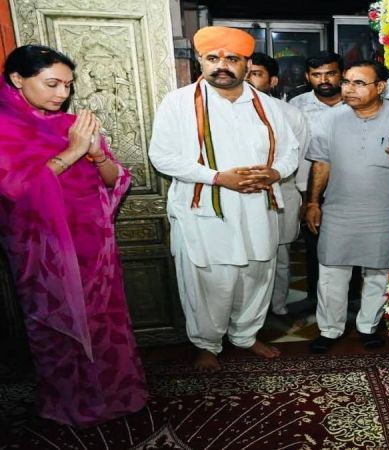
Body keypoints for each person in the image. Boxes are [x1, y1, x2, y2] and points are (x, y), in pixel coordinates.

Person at [0, 45, 148, 426]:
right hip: (44, 247)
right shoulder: (5, 128)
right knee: (56, 324)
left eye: (67, 85)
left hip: (94, 244)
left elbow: (116, 179)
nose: (62, 94)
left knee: (105, 321)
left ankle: (117, 395)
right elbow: (16, 190)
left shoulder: (72, 123)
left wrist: (96, 154)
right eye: (52, 84)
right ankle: (69, 403)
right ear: (17, 79)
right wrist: (73, 151)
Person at [148, 27, 299, 372]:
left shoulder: (268, 106)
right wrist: (217, 177)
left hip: (257, 208)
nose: (222, 66)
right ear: (200, 61)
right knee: (210, 281)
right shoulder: (178, 103)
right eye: (213, 58)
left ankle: (246, 336)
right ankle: (207, 343)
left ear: (247, 63)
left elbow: (291, 151)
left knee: (256, 274)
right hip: (204, 210)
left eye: (232, 58)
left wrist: (275, 172)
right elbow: (162, 157)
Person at [305, 60, 389, 353]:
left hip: (385, 209)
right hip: (339, 209)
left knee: (379, 272)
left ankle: (368, 326)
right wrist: (313, 202)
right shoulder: (330, 119)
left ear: (380, 87)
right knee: (332, 271)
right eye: (346, 82)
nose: (349, 89)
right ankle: (329, 329)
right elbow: (321, 163)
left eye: (359, 83)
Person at [247, 53, 310, 318]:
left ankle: (278, 304)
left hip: (283, 190)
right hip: (242, 194)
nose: (248, 79)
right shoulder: (220, 114)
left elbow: (301, 157)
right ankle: (250, 312)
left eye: (256, 74)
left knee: (280, 253)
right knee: (248, 256)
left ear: (272, 81)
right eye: (246, 73)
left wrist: (305, 197)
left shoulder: (290, 114)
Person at [289, 51, 344, 306]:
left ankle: (350, 300)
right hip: (310, 186)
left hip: (348, 186)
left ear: (341, 74)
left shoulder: (356, 100)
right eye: (316, 75)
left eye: (330, 73)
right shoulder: (296, 106)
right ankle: (315, 297)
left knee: (349, 244)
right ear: (307, 77)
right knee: (314, 244)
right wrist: (303, 193)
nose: (324, 80)